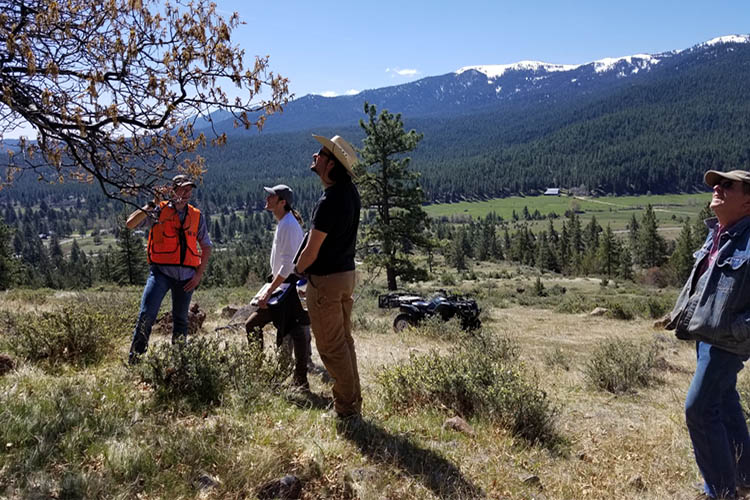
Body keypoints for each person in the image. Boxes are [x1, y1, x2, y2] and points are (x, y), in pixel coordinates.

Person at [666, 169, 750, 499]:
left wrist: (735, 330)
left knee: (699, 409)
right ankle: (744, 476)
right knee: (724, 401)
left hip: (725, 342)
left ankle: (721, 493)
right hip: (706, 336)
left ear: (748, 200)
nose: (717, 187)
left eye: (728, 184)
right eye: (717, 183)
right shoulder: (718, 233)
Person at [294, 134, 362, 419]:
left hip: (326, 282)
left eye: (321, 154)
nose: (315, 156)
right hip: (346, 276)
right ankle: (351, 402)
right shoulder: (350, 194)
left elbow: (312, 250)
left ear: (332, 165)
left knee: (331, 348)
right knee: (344, 342)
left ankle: (347, 410)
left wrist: (298, 270)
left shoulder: (329, 200)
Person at [126, 174, 212, 364]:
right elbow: (130, 224)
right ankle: (136, 360)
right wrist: (150, 205)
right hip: (161, 273)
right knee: (147, 315)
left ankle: (179, 363)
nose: (186, 193)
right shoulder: (158, 210)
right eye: (182, 189)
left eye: (189, 190)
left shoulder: (196, 215)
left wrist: (198, 275)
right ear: (172, 191)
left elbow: (206, 246)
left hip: (187, 277)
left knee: (181, 320)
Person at [245, 184, 310, 388]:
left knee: (294, 331)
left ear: (282, 202)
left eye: (272, 196)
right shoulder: (284, 223)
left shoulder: (289, 226)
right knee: (287, 330)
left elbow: (288, 265)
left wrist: (269, 292)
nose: (268, 198)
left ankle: (299, 379)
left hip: (287, 288)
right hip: (282, 287)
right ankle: (263, 371)